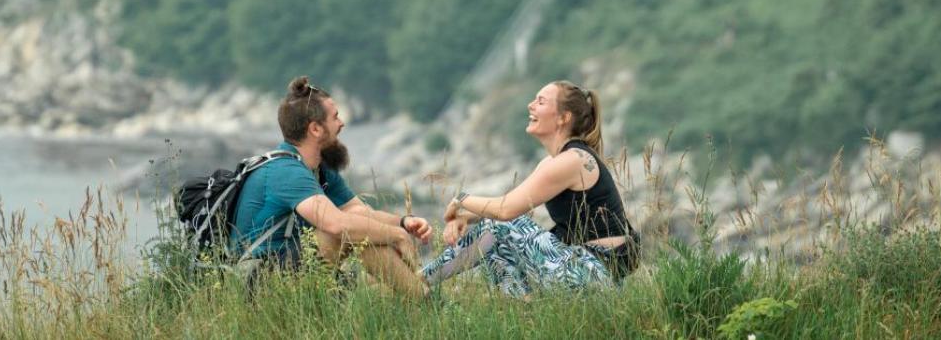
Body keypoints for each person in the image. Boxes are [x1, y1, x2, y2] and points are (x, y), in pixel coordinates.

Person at [421, 80, 640, 297]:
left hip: (595, 273)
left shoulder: (573, 160)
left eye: (541, 101)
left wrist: (461, 198)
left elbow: (505, 211)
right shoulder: (553, 162)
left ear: (563, 118)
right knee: (497, 246)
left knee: (499, 226)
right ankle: (520, 307)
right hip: (581, 269)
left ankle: (418, 281)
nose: (531, 105)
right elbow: (515, 204)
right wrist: (466, 217)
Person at [231, 76, 432, 296]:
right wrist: (397, 236)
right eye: (335, 117)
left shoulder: (318, 169)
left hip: (293, 269)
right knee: (348, 232)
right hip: (257, 283)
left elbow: (361, 214)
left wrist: (403, 223)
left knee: (378, 280)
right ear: (315, 129)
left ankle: (421, 295)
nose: (342, 123)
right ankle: (428, 301)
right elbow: (338, 227)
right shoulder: (286, 172)